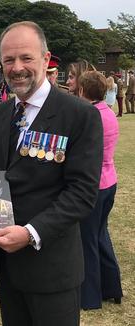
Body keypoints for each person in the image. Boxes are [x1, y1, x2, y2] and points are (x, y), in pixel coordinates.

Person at [0, 21, 103, 326]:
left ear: (46, 60)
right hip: (6, 263)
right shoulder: (0, 114)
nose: (17, 68)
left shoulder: (79, 114)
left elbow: (82, 193)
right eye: (8, 60)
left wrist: (30, 233)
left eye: (26, 58)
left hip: (51, 266)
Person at [77, 70, 123, 310]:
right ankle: (112, 286)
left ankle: (90, 297)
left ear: (83, 91)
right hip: (109, 182)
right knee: (100, 236)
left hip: (94, 185)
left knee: (89, 241)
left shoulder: (90, 115)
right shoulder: (108, 112)